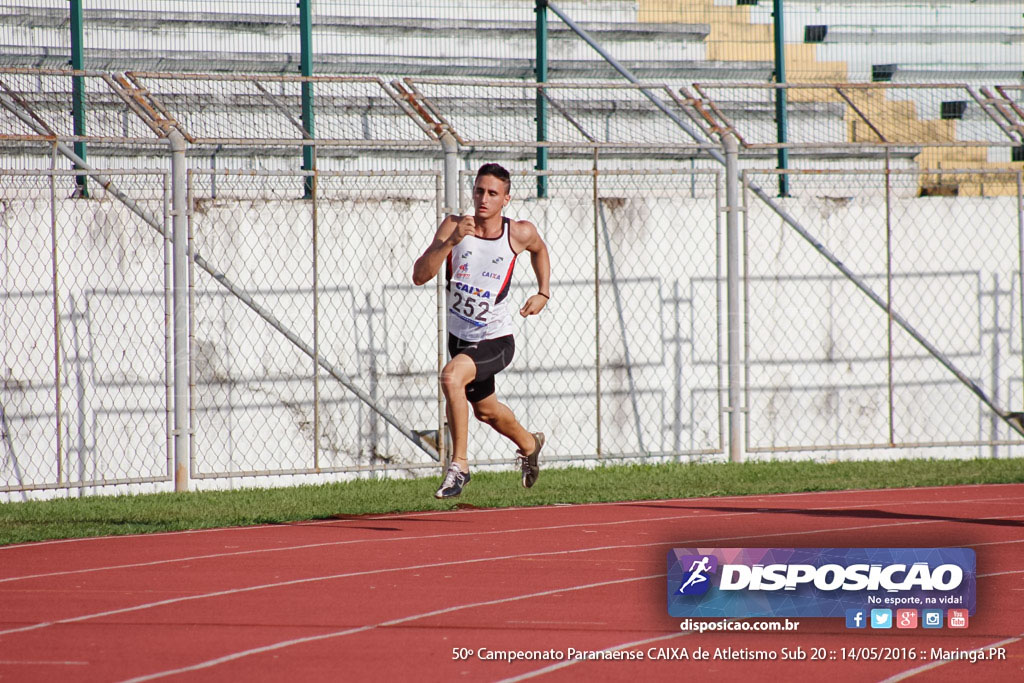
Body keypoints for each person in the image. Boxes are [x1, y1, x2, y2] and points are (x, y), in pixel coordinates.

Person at [412, 163, 550, 498]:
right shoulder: (454, 226)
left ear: (506, 199)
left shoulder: (518, 232)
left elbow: (539, 250)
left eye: (492, 193)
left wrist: (542, 293)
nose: (483, 199)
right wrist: (452, 242)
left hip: (496, 340)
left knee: (450, 377)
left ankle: (459, 466)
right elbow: (420, 274)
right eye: (479, 191)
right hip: (460, 339)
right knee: (486, 411)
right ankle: (530, 445)